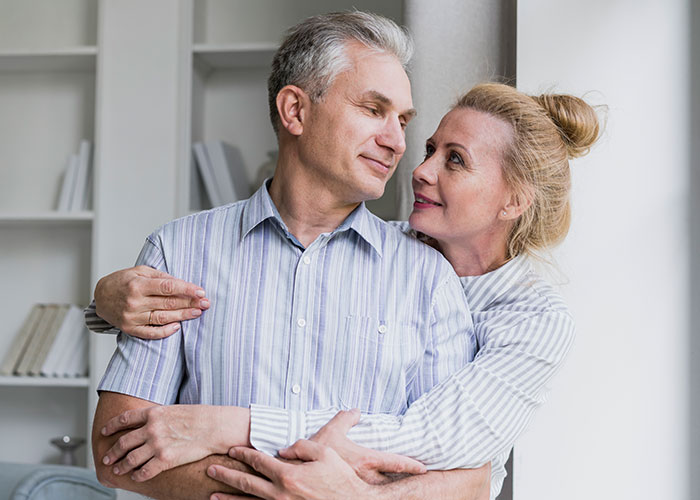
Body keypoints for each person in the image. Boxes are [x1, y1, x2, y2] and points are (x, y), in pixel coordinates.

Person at [90, 81, 601, 499]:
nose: (419, 170)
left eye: (456, 160)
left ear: (513, 201)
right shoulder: (383, 248)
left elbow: (446, 456)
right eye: (430, 150)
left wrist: (228, 427)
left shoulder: (535, 319)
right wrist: (103, 304)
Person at [89, 11, 491, 500]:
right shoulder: (178, 252)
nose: (397, 141)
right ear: (295, 111)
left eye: (402, 120)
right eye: (373, 109)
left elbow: (470, 478)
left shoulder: (427, 274)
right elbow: (115, 452)